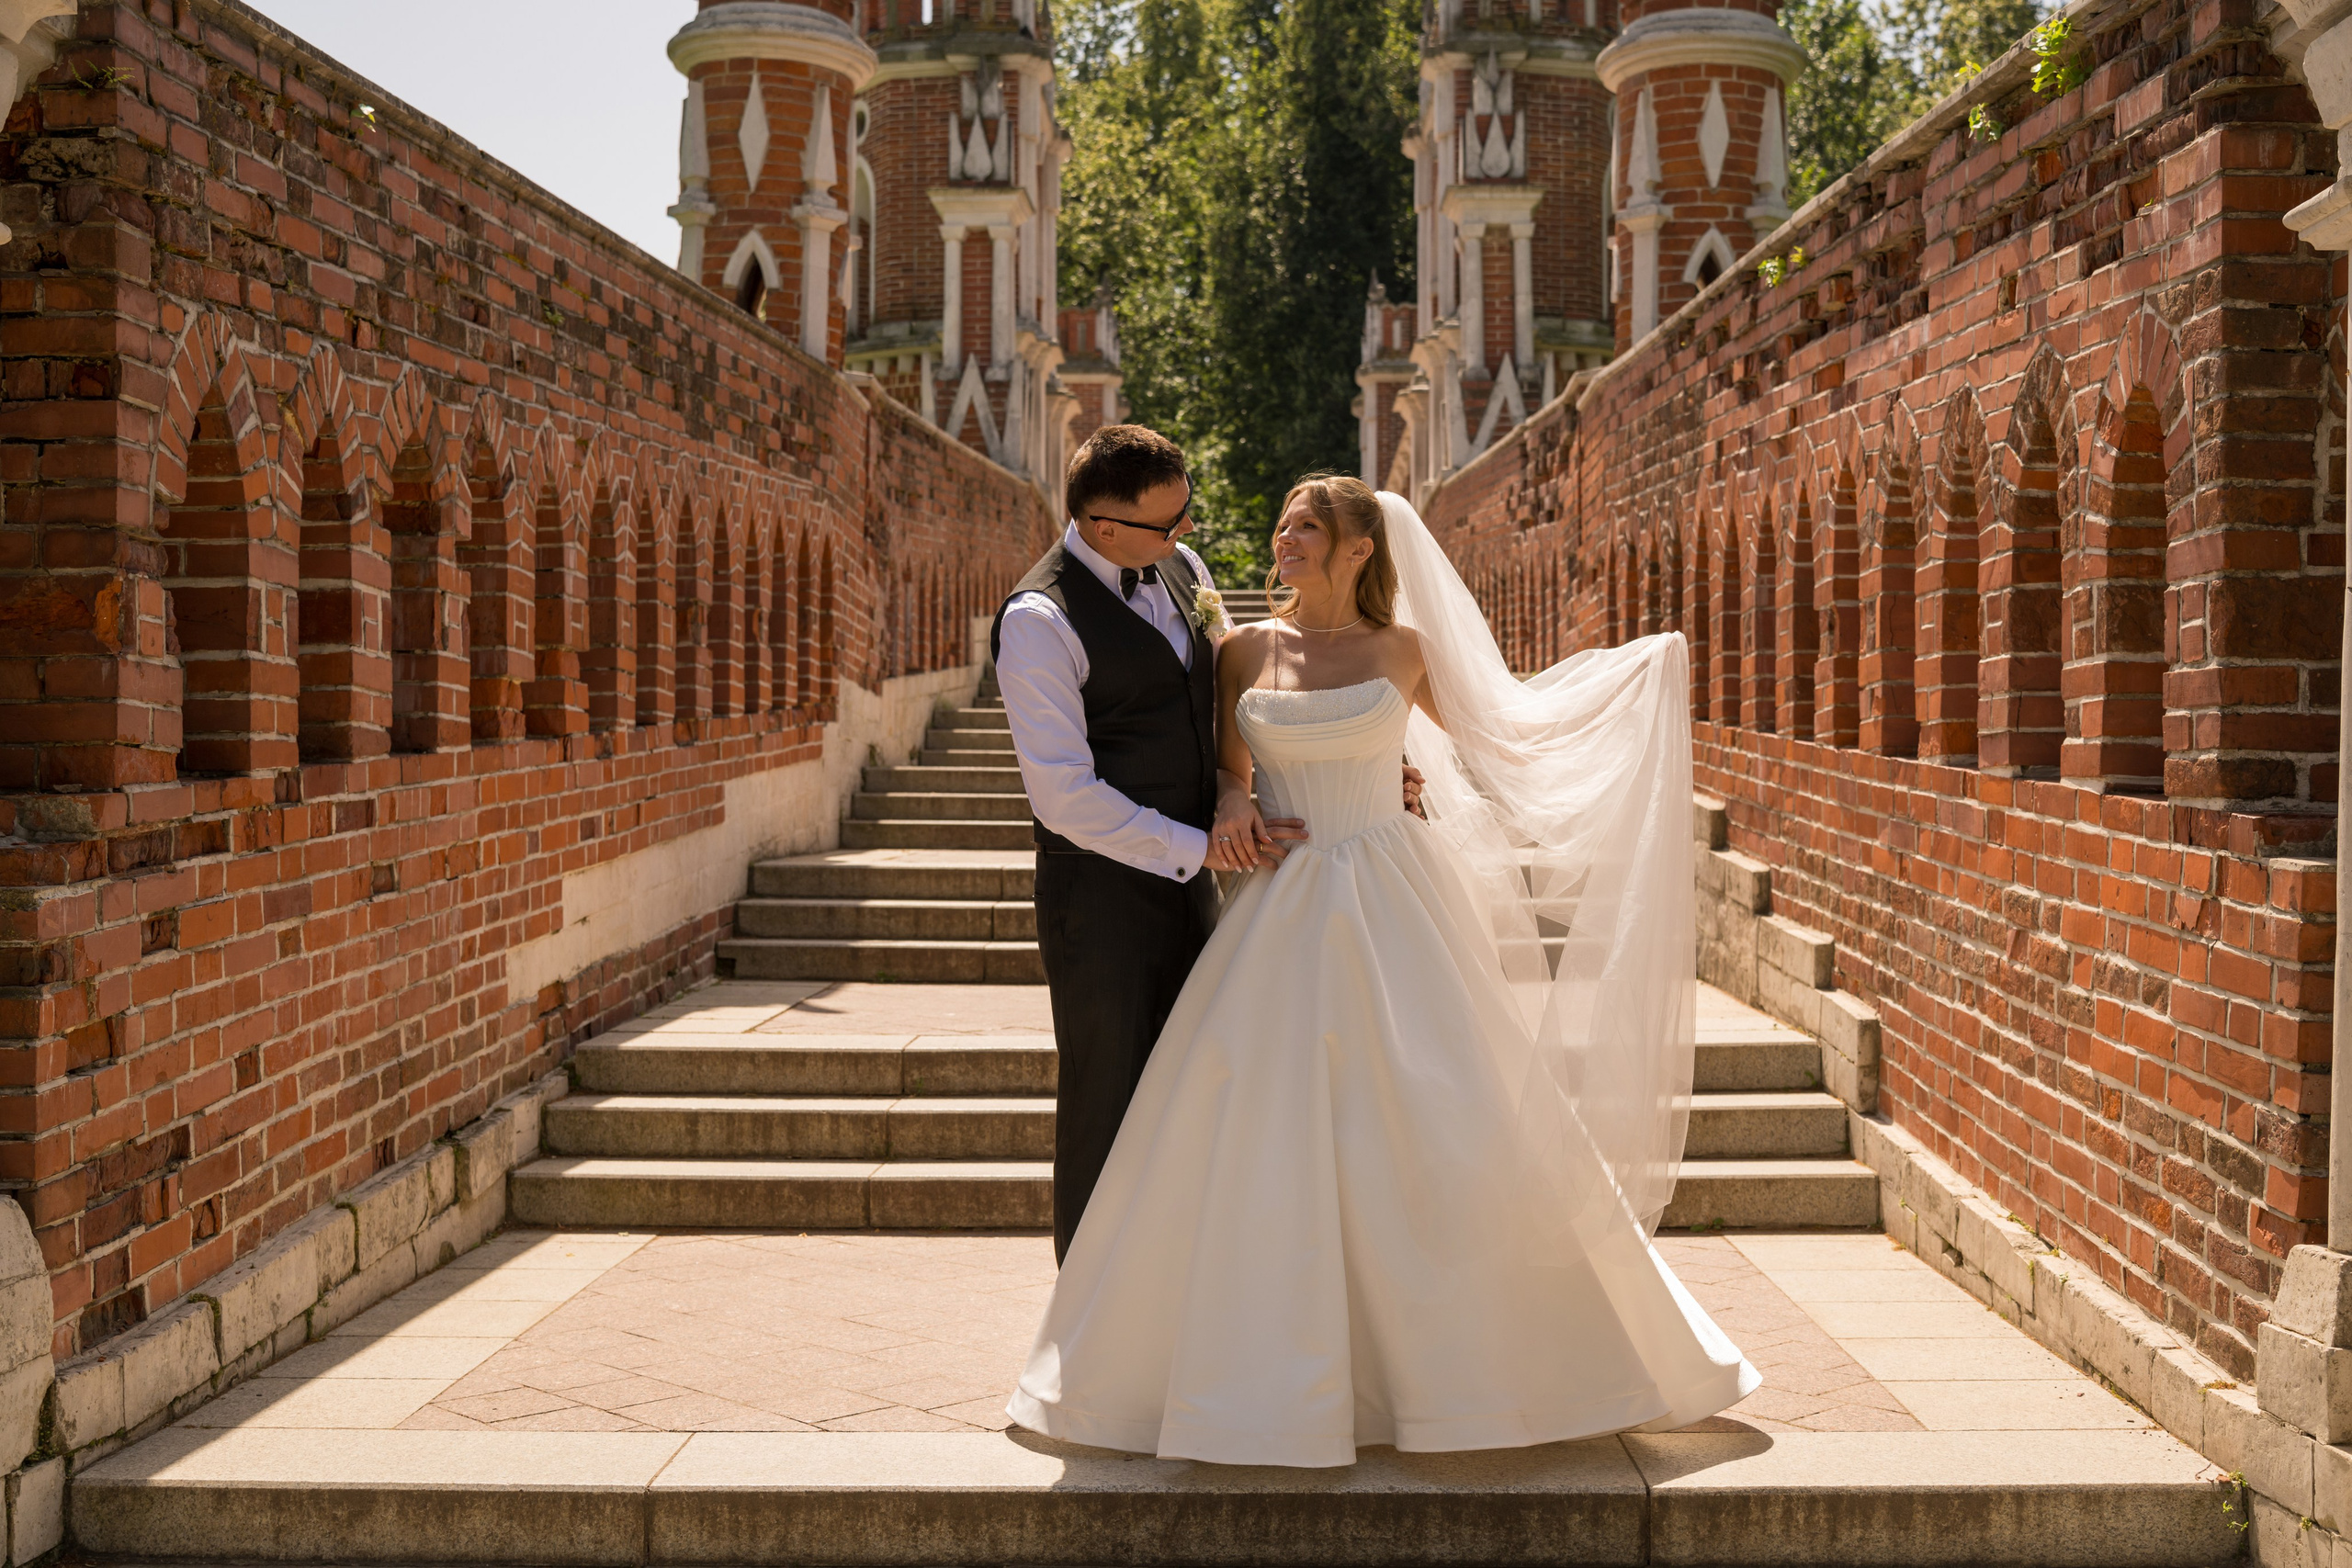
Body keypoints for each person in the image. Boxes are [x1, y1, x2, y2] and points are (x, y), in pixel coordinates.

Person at [1006, 474, 1758, 1466]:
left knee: (1443, 1114)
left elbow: (1504, 737)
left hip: (1392, 892)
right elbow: (1229, 766)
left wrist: (1637, 679)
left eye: (1307, 529)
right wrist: (1231, 806)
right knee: (1253, 1124)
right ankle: (1247, 1374)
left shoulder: (1404, 653)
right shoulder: (1241, 649)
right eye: (1281, 526)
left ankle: (1475, 1371)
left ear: (1362, 548)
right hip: (1278, 905)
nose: (1285, 541)